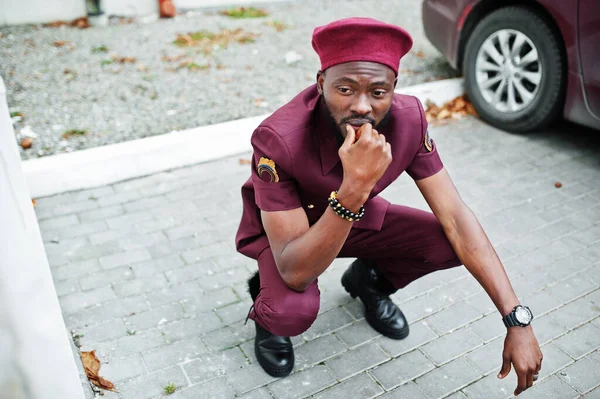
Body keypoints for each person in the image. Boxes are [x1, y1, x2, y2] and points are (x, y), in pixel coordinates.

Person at [235, 17, 543, 396]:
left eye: (378, 92)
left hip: (355, 223)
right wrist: (355, 186)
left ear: (394, 89)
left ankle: (367, 283)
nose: (361, 106)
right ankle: (265, 311)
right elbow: (296, 271)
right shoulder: (277, 138)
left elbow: (457, 217)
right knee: (291, 310)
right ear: (320, 85)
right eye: (344, 89)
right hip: (289, 241)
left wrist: (517, 320)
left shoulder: (410, 119)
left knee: (447, 243)